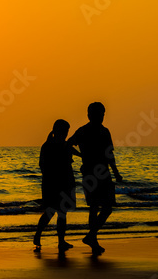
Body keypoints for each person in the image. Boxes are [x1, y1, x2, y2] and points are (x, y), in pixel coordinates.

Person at [68, 102, 123, 255]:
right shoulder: (85, 131)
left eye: (102, 114)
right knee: (95, 207)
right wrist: (80, 155)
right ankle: (93, 239)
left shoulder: (102, 131)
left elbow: (109, 154)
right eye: (99, 114)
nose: (101, 116)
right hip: (93, 174)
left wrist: (116, 172)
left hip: (101, 173)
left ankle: (92, 236)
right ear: (90, 115)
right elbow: (68, 144)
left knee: (105, 208)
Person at [33, 119, 78, 253]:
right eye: (64, 131)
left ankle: (59, 241)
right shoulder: (49, 146)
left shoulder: (52, 145)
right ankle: (40, 236)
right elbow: (43, 166)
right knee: (53, 212)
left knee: (58, 213)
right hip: (56, 183)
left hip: (59, 183)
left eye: (67, 131)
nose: (65, 134)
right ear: (58, 131)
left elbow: (73, 151)